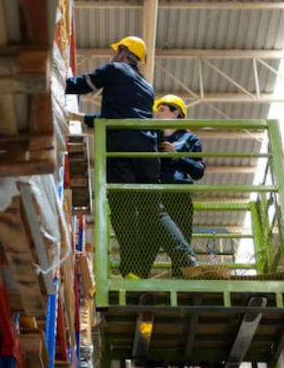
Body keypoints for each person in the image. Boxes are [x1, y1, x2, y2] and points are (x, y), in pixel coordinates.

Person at [66, 37, 198, 279]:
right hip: (146, 151)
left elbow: (82, 85)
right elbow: (120, 116)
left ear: (124, 53)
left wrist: (50, 84)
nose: (113, 55)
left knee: (122, 210)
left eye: (117, 51)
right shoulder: (147, 87)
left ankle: (131, 271)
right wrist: (79, 117)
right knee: (154, 211)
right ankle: (188, 258)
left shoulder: (115, 69)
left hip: (121, 149)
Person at [150, 94, 206, 277]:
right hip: (153, 195)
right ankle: (138, 276)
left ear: (176, 113)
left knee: (180, 238)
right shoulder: (151, 138)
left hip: (178, 195)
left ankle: (181, 278)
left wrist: (177, 156)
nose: (157, 115)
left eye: (162, 110)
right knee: (147, 240)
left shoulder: (190, 139)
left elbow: (198, 170)